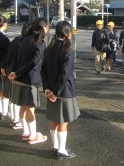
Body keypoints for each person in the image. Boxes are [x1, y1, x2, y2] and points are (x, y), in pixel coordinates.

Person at [41, 21, 80, 159]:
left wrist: (47, 89)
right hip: (63, 92)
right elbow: (65, 74)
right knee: (63, 122)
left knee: (54, 120)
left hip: (50, 90)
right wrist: (56, 93)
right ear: (68, 33)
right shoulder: (68, 50)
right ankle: (62, 150)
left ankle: (56, 147)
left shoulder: (48, 49)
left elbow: (43, 70)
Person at [8, 18, 48, 144]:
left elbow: (17, 58)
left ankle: (26, 132)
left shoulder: (24, 39)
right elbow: (34, 62)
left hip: (19, 78)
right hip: (30, 80)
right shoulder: (40, 42)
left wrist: (14, 73)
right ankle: (33, 136)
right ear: (43, 28)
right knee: (30, 109)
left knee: (23, 107)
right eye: (47, 26)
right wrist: (18, 73)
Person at [2, 22, 33, 129]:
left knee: (13, 98)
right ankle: (16, 120)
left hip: (10, 71)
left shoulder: (16, 40)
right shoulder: (25, 42)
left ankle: (13, 119)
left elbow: (7, 55)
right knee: (16, 100)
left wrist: (4, 68)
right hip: (16, 73)